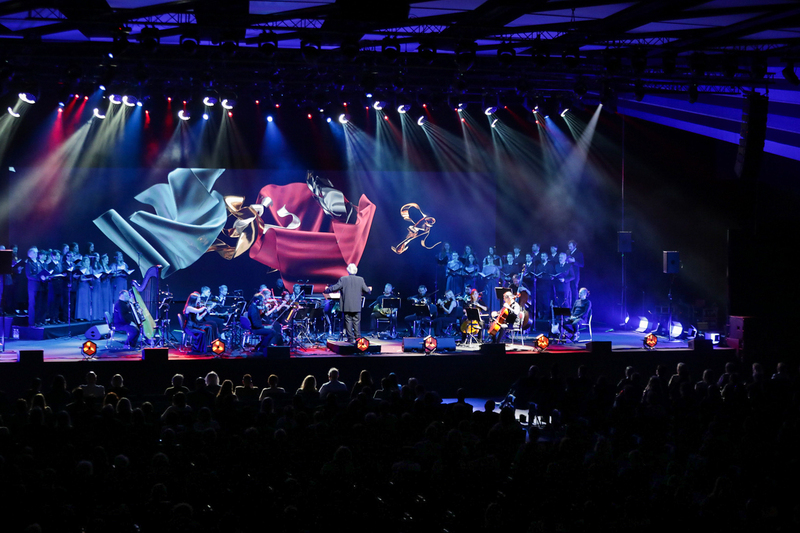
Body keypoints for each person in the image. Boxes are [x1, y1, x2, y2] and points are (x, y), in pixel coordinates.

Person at [324, 263, 371, 343]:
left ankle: (350, 339)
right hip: (356, 306)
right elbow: (367, 291)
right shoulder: (360, 279)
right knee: (356, 322)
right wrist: (369, 289)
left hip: (347, 305)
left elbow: (335, 287)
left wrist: (327, 290)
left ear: (348, 270)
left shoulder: (343, 279)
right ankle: (358, 338)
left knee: (348, 322)